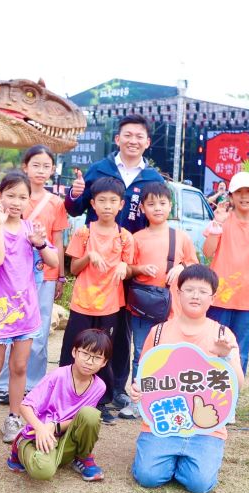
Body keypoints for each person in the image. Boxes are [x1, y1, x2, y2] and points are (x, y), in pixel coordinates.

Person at [65, 114, 164, 421]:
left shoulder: (153, 179)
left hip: (129, 261)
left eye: (139, 136)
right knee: (86, 329)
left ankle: (114, 388)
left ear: (147, 142)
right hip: (95, 264)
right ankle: (74, 388)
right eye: (127, 135)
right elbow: (76, 208)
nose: (133, 140)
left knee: (119, 330)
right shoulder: (100, 169)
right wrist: (75, 193)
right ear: (118, 139)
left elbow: (157, 216)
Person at [129, 265, 244, 493]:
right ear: (178, 293)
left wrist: (226, 357)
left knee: (199, 484)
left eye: (202, 291)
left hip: (206, 430)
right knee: (148, 476)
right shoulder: (158, 332)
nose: (195, 296)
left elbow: (237, 386)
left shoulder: (223, 335)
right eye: (189, 290)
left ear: (212, 298)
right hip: (163, 423)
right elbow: (144, 378)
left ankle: (187, 459)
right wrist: (136, 391)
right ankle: (167, 457)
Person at [0, 172, 58, 444]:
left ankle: (13, 417)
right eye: (10, 195)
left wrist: (40, 243)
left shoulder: (32, 229)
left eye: (22, 197)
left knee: (20, 366)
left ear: (29, 200)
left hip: (26, 310)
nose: (16, 202)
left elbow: (54, 261)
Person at [0, 146, 69, 405]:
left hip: (45, 275)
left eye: (46, 166)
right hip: (12, 275)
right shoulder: (13, 196)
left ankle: (33, 385)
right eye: (35, 164)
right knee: (9, 326)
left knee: (39, 329)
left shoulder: (56, 203)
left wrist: (60, 275)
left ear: (53, 170)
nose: (41, 170)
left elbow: (57, 241)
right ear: (25, 167)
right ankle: (4, 385)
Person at [59, 177, 134, 424]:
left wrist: (125, 266)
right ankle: (66, 397)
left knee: (104, 354)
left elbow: (130, 269)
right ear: (92, 203)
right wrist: (89, 256)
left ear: (121, 204)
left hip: (110, 305)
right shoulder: (84, 232)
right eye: (102, 200)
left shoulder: (125, 237)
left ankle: (101, 402)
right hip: (82, 302)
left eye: (113, 201)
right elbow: (74, 268)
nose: (107, 206)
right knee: (73, 351)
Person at [123, 182, 198, 418]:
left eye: (162, 203)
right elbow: (127, 269)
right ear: (142, 208)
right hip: (142, 307)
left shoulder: (180, 237)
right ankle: (137, 400)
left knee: (171, 353)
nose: (157, 208)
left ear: (170, 206)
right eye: (151, 204)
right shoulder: (136, 238)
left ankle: (168, 397)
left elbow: (194, 265)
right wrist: (139, 268)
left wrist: (182, 267)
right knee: (141, 352)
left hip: (171, 307)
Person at [7, 328, 110, 481]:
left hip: (65, 437)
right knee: (43, 472)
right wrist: (41, 428)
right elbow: (25, 406)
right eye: (85, 354)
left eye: (97, 357)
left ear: (104, 362)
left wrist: (55, 426)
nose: (89, 361)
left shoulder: (99, 387)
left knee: (91, 415)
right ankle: (20, 447)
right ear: (74, 352)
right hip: (39, 435)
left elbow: (80, 420)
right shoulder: (58, 376)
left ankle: (82, 457)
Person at [203, 171, 249, 375]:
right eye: (239, 192)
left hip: (248, 299)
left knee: (240, 351)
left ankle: (232, 392)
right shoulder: (222, 219)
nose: (244, 196)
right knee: (212, 348)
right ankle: (209, 391)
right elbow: (207, 252)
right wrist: (218, 224)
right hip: (219, 297)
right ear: (231, 196)